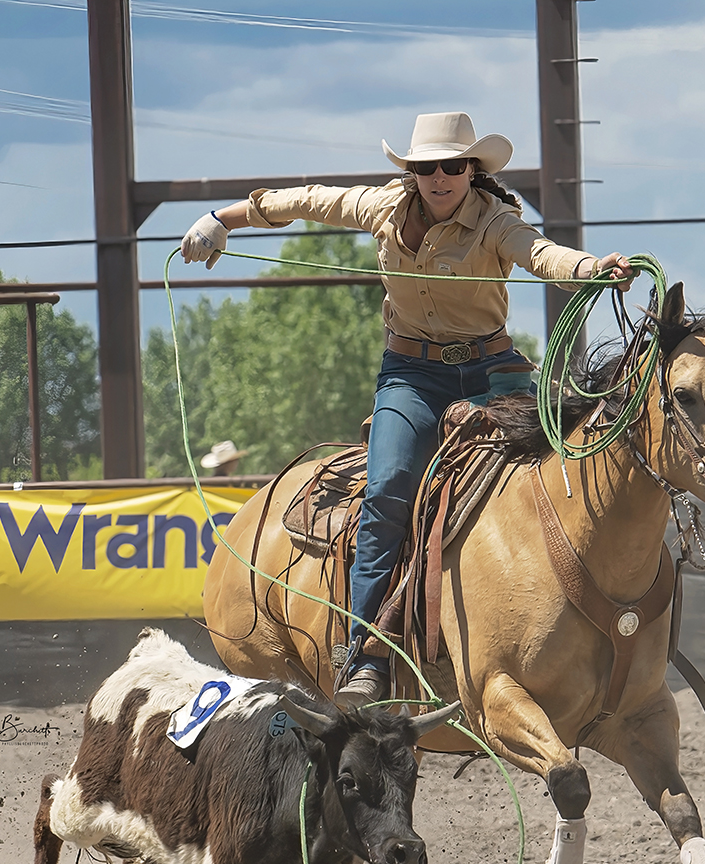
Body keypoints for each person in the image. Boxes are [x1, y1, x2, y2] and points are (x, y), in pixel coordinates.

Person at [182, 111, 634, 707]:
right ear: (413, 172)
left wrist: (591, 268)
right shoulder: (383, 207)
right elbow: (305, 200)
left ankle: (560, 626)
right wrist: (221, 220)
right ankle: (367, 650)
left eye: (452, 165)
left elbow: (540, 254)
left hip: (491, 371)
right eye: (427, 167)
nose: (440, 176)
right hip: (412, 376)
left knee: (545, 476)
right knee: (389, 485)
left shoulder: (497, 221)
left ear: (472, 170)